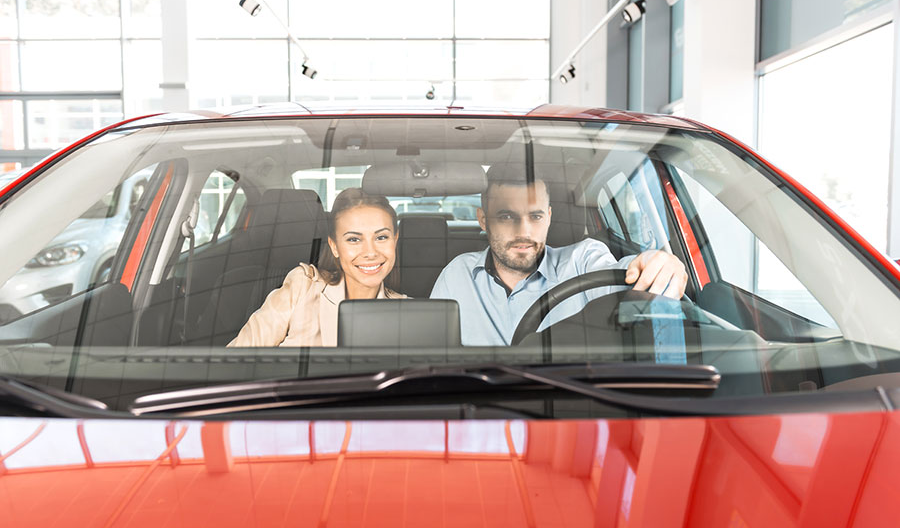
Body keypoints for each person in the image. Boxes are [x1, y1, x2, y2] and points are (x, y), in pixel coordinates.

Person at [430, 176, 688, 345]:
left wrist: (659, 263)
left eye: (536, 216)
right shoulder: (457, 275)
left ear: (550, 217)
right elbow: (432, 359)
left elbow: (625, 276)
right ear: (483, 220)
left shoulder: (583, 259)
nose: (524, 232)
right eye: (507, 216)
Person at [228, 188, 406, 347]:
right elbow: (237, 360)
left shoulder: (407, 312)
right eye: (354, 239)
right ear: (334, 246)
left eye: (381, 237)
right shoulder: (301, 289)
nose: (370, 252)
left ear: (395, 240)